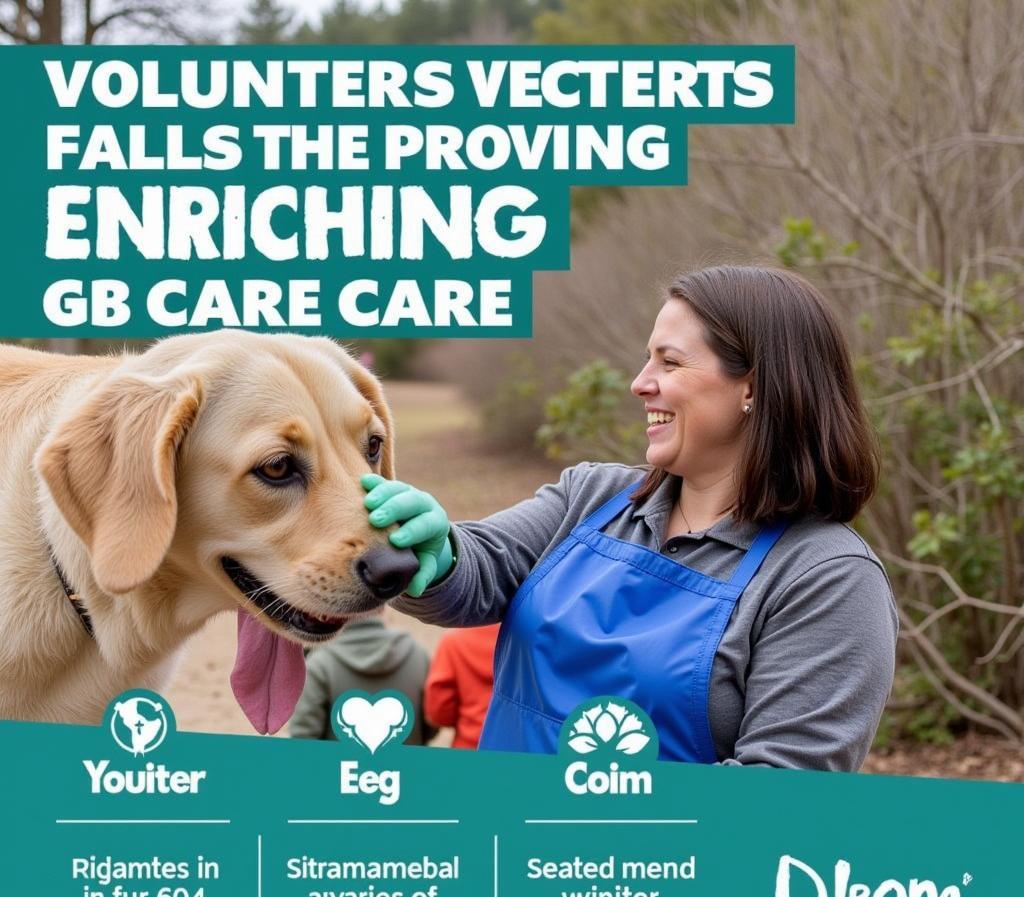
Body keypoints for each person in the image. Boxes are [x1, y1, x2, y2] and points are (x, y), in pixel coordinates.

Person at [361, 265, 899, 771]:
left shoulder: (827, 579)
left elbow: (775, 805)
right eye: (648, 360)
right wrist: (438, 553)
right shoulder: (593, 495)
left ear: (754, 387)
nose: (640, 383)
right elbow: (475, 575)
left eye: (670, 362)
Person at [289, 615, 432, 743]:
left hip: (338, 771)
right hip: (406, 770)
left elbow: (303, 736)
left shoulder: (319, 664)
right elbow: (433, 721)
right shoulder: (419, 655)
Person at [424, 624, 501, 749]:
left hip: (468, 750)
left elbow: (438, 712)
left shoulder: (454, 640)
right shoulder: (529, 639)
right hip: (520, 751)